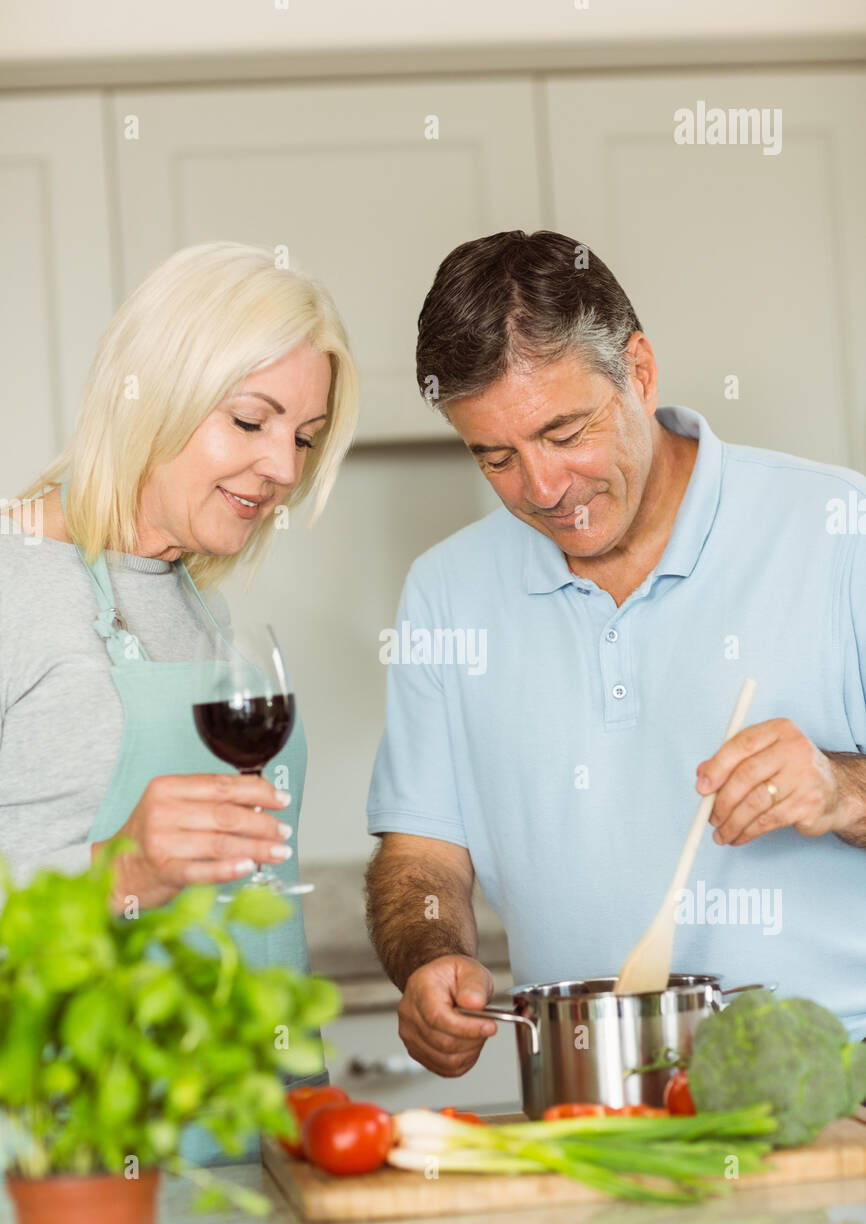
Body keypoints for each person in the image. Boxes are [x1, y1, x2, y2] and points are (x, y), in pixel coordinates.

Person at [365, 229, 866, 1083]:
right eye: (496, 456)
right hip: (589, 1105)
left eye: (565, 431)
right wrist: (427, 956)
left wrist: (842, 789)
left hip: (839, 1108)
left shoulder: (839, 530)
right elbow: (422, 855)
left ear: (638, 370)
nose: (544, 489)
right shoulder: (446, 591)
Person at [0, 241, 359, 1157]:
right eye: (250, 421)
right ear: (151, 393)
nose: (283, 466)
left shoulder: (200, 605)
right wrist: (117, 874)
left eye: (304, 437)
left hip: (255, 1141)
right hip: (73, 1166)